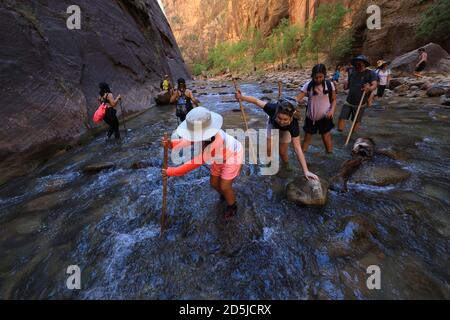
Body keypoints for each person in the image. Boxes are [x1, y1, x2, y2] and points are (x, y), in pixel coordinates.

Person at [162, 107, 243, 219]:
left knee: (225, 186)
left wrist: (172, 171)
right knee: (214, 183)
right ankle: (225, 195)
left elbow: (194, 163)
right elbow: (186, 141)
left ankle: (232, 206)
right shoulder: (203, 132)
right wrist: (171, 144)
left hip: (232, 155)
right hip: (219, 156)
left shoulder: (216, 140)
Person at [234, 91, 319, 180]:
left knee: (282, 152)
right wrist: (242, 97)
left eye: (285, 119)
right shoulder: (271, 108)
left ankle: (286, 164)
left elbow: (297, 149)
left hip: (286, 130)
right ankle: (269, 164)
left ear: (291, 117)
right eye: (280, 118)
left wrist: (306, 171)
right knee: (268, 148)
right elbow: (256, 101)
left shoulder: (294, 125)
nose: (282, 122)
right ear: (277, 113)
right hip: (273, 125)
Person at [296, 64, 337, 154]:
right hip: (310, 117)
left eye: (320, 77)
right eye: (316, 77)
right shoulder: (308, 85)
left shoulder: (329, 85)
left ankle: (330, 155)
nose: (318, 79)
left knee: (326, 138)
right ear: (312, 76)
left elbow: (334, 100)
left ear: (324, 75)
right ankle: (302, 156)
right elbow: (298, 98)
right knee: (307, 138)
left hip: (325, 117)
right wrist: (290, 102)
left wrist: (332, 110)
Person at [337, 55, 378, 134]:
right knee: (342, 117)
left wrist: (369, 88)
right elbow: (346, 87)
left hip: (360, 103)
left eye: (359, 64)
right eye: (356, 64)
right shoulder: (353, 73)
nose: (357, 66)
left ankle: (353, 134)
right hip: (349, 101)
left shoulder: (370, 73)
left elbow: (374, 85)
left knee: (356, 120)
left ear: (364, 64)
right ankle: (339, 133)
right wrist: (345, 83)